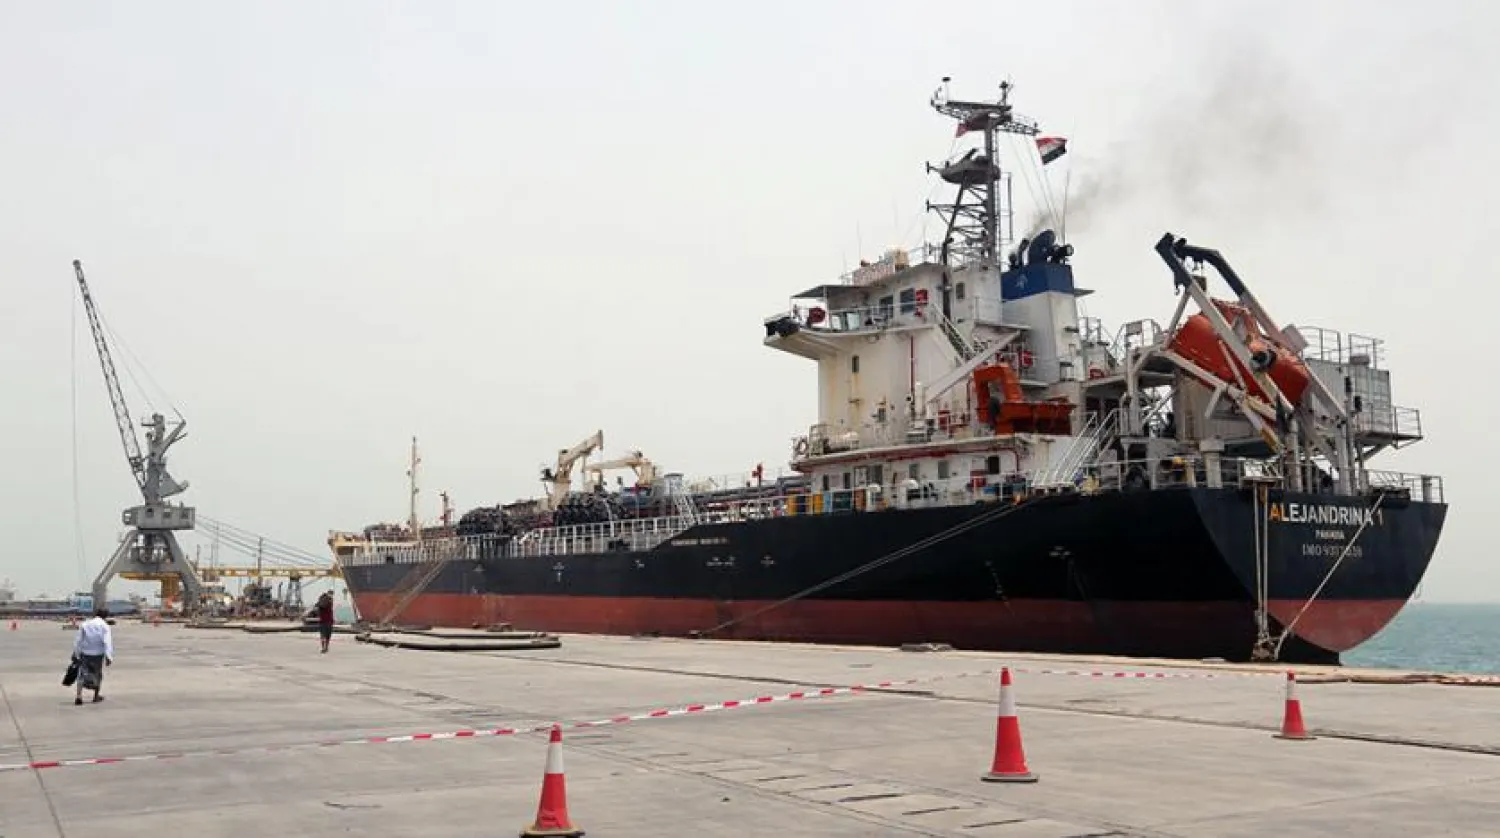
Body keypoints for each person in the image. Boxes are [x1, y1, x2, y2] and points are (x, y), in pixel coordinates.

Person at [72, 607, 113, 705]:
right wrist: (109, 656)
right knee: (97, 674)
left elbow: (78, 640)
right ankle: (95, 696)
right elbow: (107, 641)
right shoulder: (105, 626)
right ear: (105, 616)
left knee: (82, 674)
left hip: (85, 653)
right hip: (98, 654)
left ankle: (78, 696)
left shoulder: (85, 624)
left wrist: (76, 653)